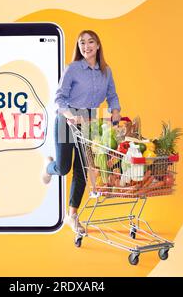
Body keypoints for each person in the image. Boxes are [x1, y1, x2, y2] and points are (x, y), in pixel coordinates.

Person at [42, 30, 121, 233]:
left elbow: (112, 95)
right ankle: (49, 167)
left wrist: (115, 111)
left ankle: (72, 216)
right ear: (78, 47)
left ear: (98, 45)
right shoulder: (72, 69)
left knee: (82, 170)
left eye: (90, 42)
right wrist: (70, 115)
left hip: (90, 121)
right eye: (82, 43)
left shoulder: (106, 71)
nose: (86, 46)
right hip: (67, 120)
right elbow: (59, 99)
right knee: (64, 167)